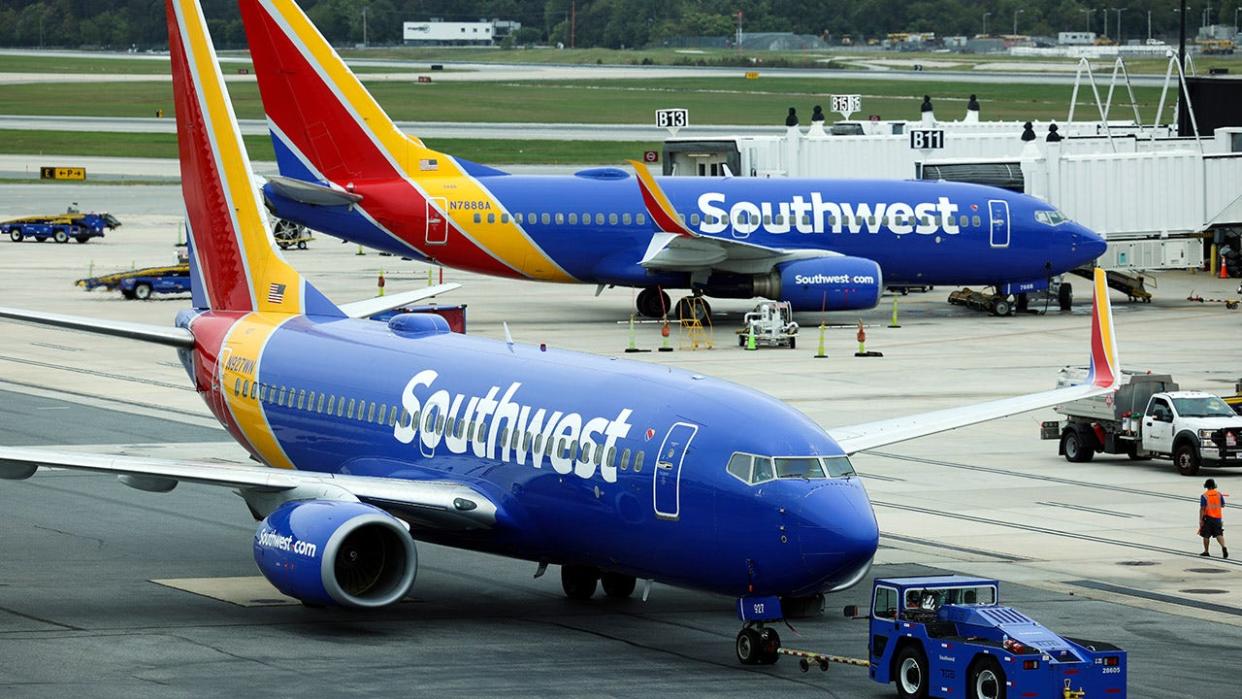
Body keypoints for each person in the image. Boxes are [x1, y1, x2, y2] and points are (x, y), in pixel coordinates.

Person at [1200, 478, 1228, 558]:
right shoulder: (1219, 494)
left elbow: (1202, 508)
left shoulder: (1204, 495)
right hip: (1218, 518)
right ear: (1214, 485)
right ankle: (1223, 547)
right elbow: (1223, 505)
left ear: (1206, 486)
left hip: (1208, 518)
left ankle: (1206, 551)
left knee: (1206, 535)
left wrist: (1201, 520)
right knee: (1219, 533)